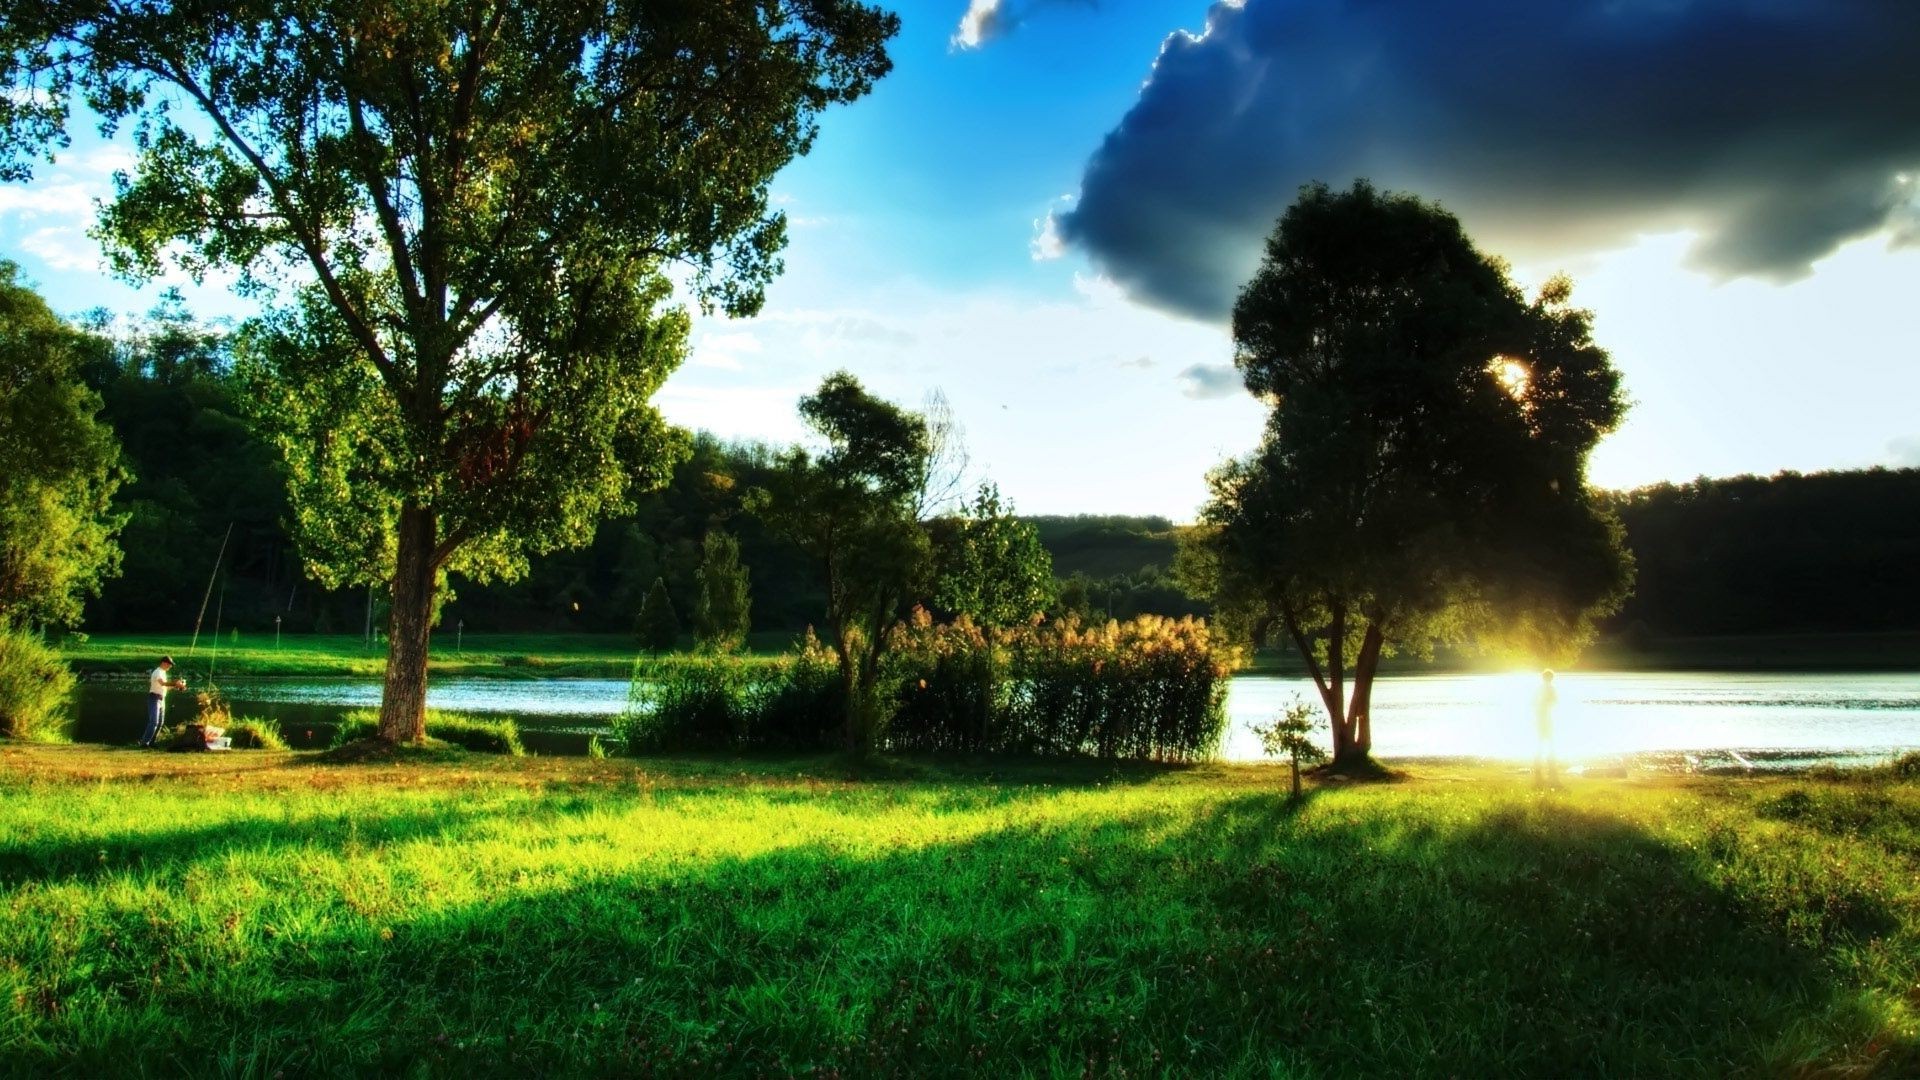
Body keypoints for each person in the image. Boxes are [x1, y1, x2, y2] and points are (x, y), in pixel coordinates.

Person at [139, 656, 187, 748]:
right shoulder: (158, 672)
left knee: (160, 723)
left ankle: (152, 742)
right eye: (170, 664)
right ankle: (144, 743)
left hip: (161, 699)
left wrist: (177, 687)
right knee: (154, 722)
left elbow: (165, 687)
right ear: (164, 663)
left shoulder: (163, 673)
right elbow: (162, 683)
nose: (170, 666)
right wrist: (175, 683)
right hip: (154, 698)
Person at [1533, 669, 1558, 787]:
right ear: (1551, 678)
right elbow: (1555, 701)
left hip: (1540, 715)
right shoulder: (1550, 688)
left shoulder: (1538, 688)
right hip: (1546, 716)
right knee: (1549, 738)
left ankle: (1540, 758)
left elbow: (1533, 701)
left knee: (1541, 738)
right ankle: (1549, 758)